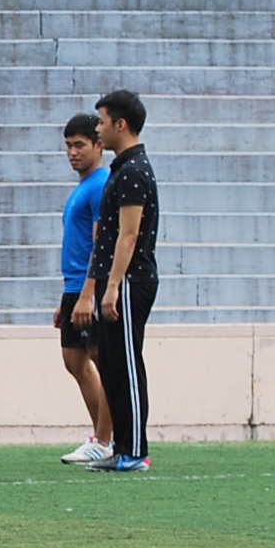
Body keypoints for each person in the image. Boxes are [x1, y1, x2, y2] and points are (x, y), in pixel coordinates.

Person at [73, 88, 158, 473]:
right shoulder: (122, 169)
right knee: (111, 364)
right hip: (118, 280)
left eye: (103, 122)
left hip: (129, 280)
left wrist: (111, 286)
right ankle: (122, 446)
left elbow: (128, 235)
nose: (98, 129)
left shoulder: (134, 171)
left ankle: (134, 449)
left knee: (126, 363)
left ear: (120, 124)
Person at [54, 113, 116, 465]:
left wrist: (88, 294)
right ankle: (101, 435)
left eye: (80, 145)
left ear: (98, 145)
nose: (72, 152)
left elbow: (100, 245)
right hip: (74, 286)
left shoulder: (101, 185)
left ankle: (106, 440)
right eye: (68, 146)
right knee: (74, 360)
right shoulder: (84, 186)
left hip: (88, 287)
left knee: (102, 361)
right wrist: (67, 297)